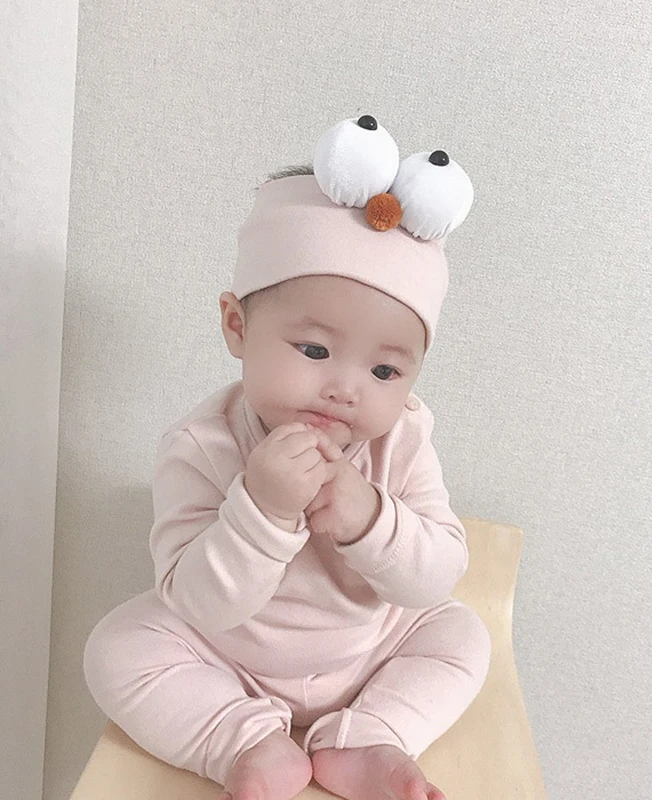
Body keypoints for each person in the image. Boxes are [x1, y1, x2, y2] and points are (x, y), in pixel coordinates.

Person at [83, 115, 491, 800]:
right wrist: (262, 512)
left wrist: (372, 519)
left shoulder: (403, 438)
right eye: (315, 350)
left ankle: (369, 737)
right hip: (230, 663)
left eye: (385, 371)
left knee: (462, 634)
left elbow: (435, 577)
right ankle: (245, 742)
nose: (346, 388)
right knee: (117, 648)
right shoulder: (201, 445)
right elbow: (197, 603)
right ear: (237, 326)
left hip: (369, 654)